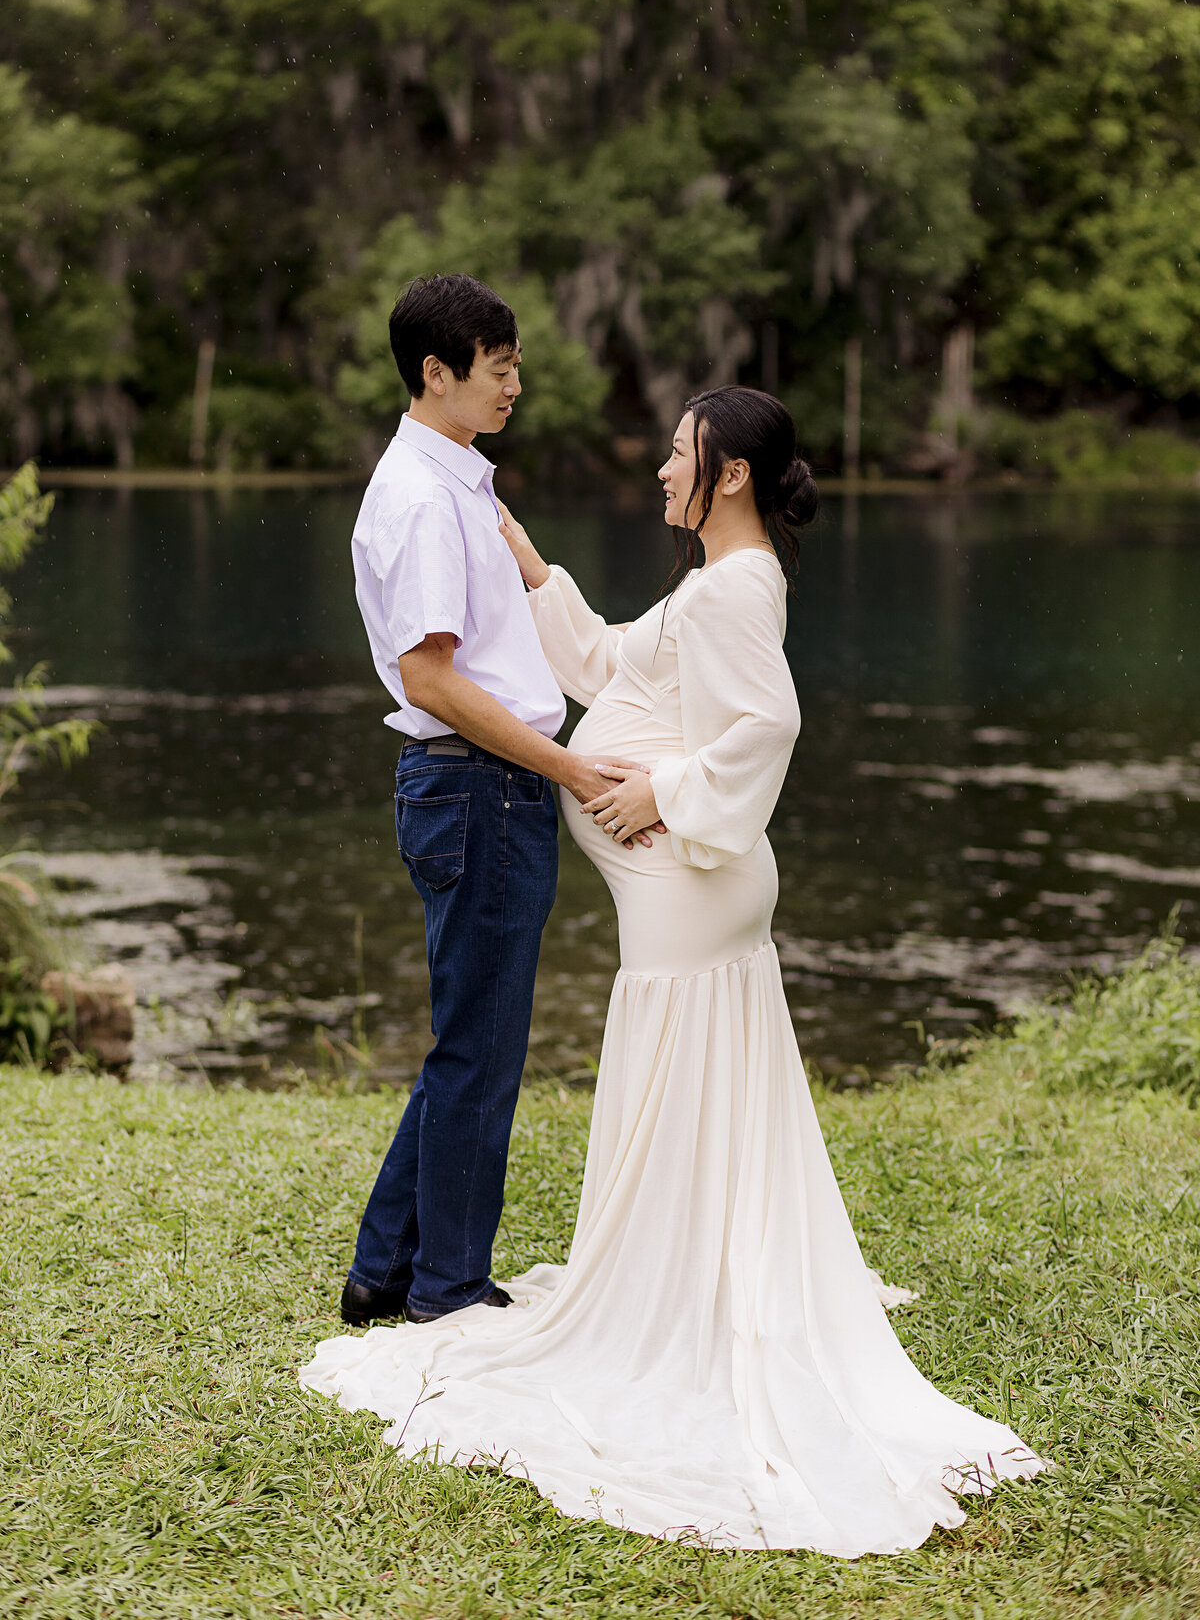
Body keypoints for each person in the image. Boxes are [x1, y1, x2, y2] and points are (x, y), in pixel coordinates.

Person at [304, 385, 1043, 1554]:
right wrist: (528, 558)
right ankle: (696, 1276)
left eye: (680, 454)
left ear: (730, 474)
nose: (659, 469)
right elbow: (605, 660)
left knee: (668, 1086)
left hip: (687, 890)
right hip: (697, 897)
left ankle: (675, 1303)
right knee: (693, 1098)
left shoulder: (739, 588)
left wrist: (659, 792)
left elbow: (768, 726)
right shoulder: (714, 584)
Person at [341, 272, 650, 1328]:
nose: (518, 381)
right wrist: (567, 768)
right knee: (481, 1045)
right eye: (501, 364)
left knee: (467, 1035)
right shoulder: (423, 498)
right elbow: (430, 679)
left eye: (516, 361)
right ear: (439, 372)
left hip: (484, 789)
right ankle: (448, 1291)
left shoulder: (458, 478)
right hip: (481, 789)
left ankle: (385, 1268)